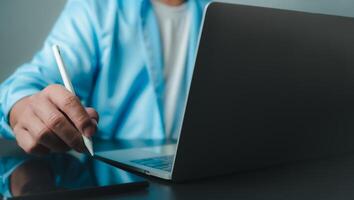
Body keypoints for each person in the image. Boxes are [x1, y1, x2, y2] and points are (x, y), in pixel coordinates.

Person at [0, 0, 210, 154]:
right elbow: (32, 80)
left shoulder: (217, 13)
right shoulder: (96, 8)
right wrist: (21, 108)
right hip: (115, 176)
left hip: (200, 169)